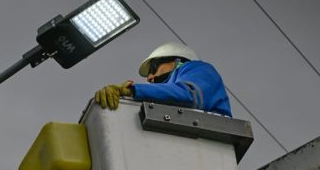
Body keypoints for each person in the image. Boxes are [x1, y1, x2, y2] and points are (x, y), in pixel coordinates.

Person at [94, 42, 232, 117]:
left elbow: (190, 94)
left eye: (153, 68)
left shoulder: (199, 68)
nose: (149, 78)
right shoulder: (164, 99)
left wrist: (132, 90)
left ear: (178, 61)